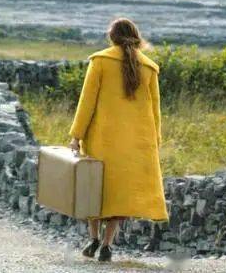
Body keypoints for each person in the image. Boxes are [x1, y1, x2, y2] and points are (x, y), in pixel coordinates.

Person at [68, 18, 168, 262]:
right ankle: (107, 244)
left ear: (112, 37)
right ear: (136, 37)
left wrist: (76, 135)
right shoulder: (150, 67)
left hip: (102, 140)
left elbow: (87, 102)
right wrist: (155, 140)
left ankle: (92, 238)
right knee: (120, 195)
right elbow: (155, 111)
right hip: (136, 144)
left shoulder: (100, 61)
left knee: (96, 189)